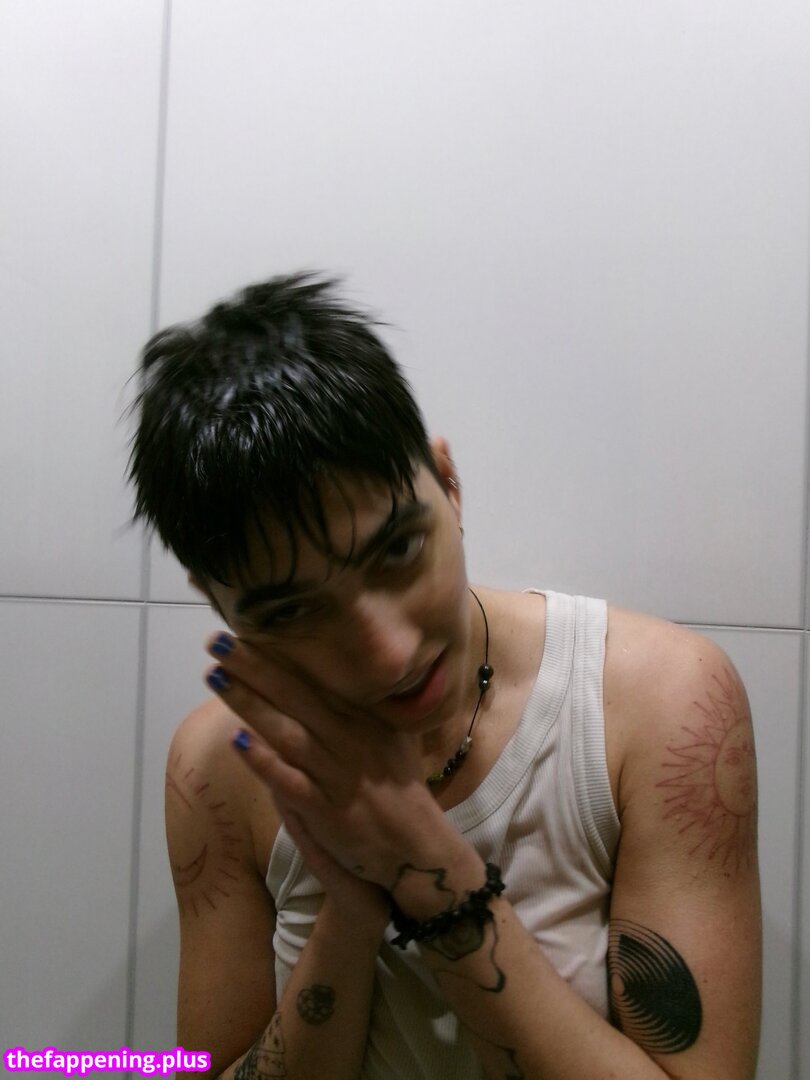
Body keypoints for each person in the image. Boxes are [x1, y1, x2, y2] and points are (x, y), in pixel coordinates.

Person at [128, 273, 761, 1079]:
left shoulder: (658, 703)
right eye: (293, 612)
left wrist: (430, 872)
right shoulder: (220, 769)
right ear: (217, 604)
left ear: (447, 483)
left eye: (397, 551)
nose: (389, 654)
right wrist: (351, 907)